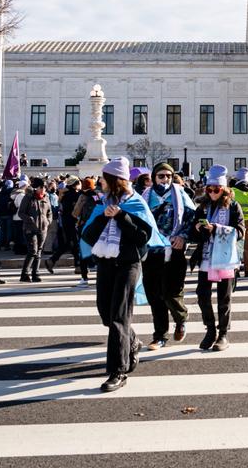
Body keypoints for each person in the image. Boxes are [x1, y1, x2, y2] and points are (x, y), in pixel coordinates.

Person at [80, 157, 157, 392]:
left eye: (104, 178)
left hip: (128, 264)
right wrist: (105, 216)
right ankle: (132, 341)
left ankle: (118, 371)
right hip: (105, 262)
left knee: (119, 318)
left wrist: (122, 217)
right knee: (106, 313)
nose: (100, 182)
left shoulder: (135, 204)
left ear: (114, 181)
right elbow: (88, 235)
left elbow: (143, 238)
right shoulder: (102, 204)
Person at [191, 165, 244, 351]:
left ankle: (223, 334)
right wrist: (197, 229)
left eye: (216, 189)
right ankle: (210, 329)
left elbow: (240, 231)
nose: (212, 192)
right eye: (209, 189)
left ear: (224, 190)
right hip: (206, 255)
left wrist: (219, 229)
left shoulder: (233, 206)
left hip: (226, 256)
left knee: (224, 296)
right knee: (202, 295)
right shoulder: (203, 206)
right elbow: (192, 231)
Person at [144, 163, 195, 348]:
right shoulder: (145, 196)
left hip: (174, 250)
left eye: (168, 176)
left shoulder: (180, 194)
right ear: (154, 177)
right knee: (154, 294)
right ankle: (160, 335)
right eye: (161, 176)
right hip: (152, 251)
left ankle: (180, 317)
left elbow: (192, 218)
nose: (165, 179)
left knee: (170, 292)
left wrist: (183, 236)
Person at [18, 183, 53, 282]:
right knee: (33, 251)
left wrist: (48, 221)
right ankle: (24, 274)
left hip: (43, 229)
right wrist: (29, 219)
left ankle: (35, 274)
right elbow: (21, 213)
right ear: (36, 188)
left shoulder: (46, 198)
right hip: (30, 228)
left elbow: (50, 212)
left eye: (44, 188)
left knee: (38, 252)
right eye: (40, 187)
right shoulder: (28, 197)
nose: (42, 189)